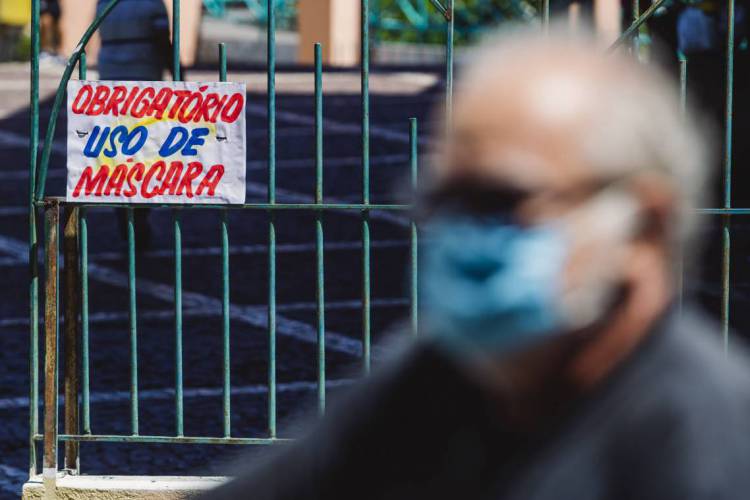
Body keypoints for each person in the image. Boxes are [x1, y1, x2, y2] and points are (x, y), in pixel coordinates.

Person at [202, 26, 750, 500]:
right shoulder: (439, 375)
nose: (464, 233)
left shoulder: (706, 445)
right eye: (443, 200)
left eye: (501, 200)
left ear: (646, 226)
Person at [96, 0, 173, 249]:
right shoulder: (150, 3)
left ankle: (124, 213)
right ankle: (139, 216)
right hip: (144, 79)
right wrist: (177, 71)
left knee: (119, 154)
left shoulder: (106, 2)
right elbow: (162, 39)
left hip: (110, 79)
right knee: (144, 153)